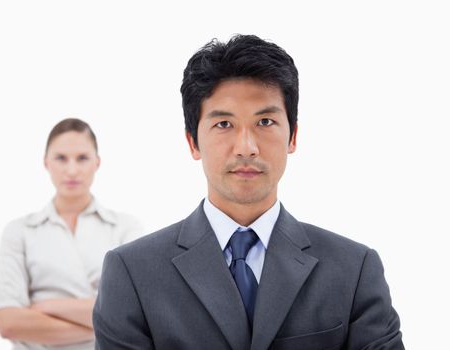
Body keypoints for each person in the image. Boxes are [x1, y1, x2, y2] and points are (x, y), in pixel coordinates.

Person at [93, 35, 404, 349]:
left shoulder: (353, 268)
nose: (246, 148)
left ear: (292, 136)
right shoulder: (133, 272)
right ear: (192, 142)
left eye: (265, 121)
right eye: (224, 124)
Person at [0, 118, 143, 350]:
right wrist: (101, 323)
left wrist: (45, 306)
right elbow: (8, 322)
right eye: (61, 158)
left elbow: (133, 313)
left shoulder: (124, 228)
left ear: (97, 163)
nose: (72, 170)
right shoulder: (19, 231)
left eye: (82, 158)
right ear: (45, 163)